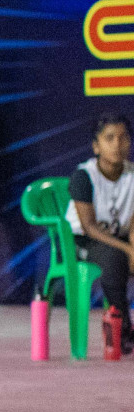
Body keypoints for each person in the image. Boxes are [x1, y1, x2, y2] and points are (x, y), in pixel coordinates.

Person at [68, 113, 134, 355]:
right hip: (84, 240)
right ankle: (122, 328)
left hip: (120, 239)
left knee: (119, 253)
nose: (117, 144)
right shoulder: (83, 176)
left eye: (123, 138)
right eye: (109, 138)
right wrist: (128, 250)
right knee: (115, 259)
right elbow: (89, 227)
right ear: (96, 146)